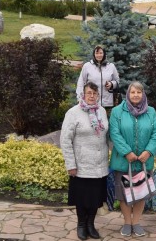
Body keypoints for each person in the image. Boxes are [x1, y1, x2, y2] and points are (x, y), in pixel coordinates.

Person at [109, 81, 156, 237]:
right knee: (124, 194)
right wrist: (127, 152)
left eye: (139, 92)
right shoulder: (117, 112)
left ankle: (136, 222)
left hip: (144, 162)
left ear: (143, 94)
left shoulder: (150, 112)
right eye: (133, 92)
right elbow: (114, 133)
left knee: (140, 192)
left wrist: (149, 151)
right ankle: (126, 223)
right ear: (128, 94)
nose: (136, 95)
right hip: (124, 161)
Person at [61, 81, 109, 240]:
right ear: (83, 94)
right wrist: (71, 165)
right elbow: (65, 140)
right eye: (89, 93)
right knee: (82, 198)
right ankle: (81, 224)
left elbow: (105, 135)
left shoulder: (101, 111)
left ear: (98, 95)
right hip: (81, 165)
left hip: (99, 164)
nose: (92, 96)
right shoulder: (73, 113)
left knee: (95, 197)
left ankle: (91, 224)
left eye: (95, 94)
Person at [76, 45, 119, 111]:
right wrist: (79, 97)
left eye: (101, 53)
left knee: (105, 121)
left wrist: (111, 84)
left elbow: (117, 81)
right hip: (91, 102)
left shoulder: (111, 66)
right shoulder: (87, 66)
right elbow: (81, 82)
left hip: (107, 103)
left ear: (104, 54)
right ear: (94, 54)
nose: (99, 55)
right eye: (97, 53)